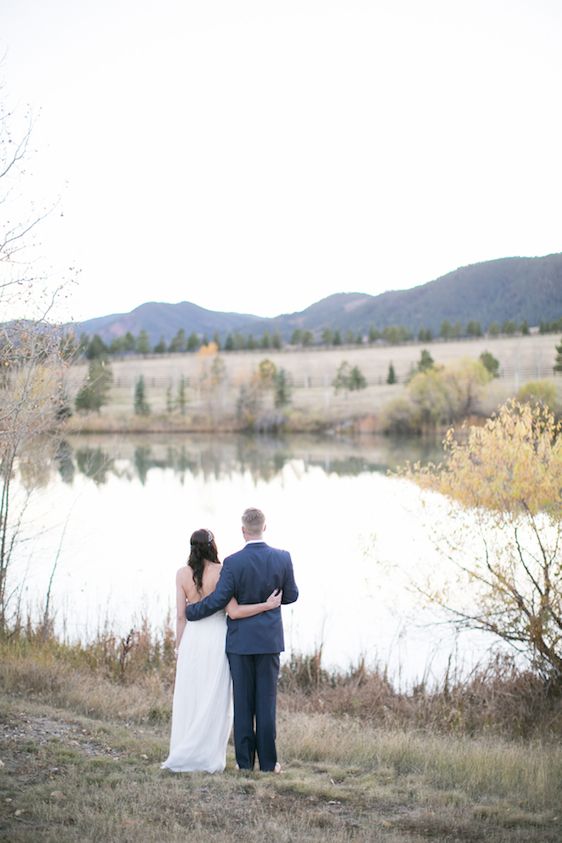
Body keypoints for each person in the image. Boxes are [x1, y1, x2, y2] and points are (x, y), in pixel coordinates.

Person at [186, 508, 299, 773]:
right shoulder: (283, 558)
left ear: (243, 530)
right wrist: (272, 601)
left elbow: (218, 600)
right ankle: (269, 765)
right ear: (264, 527)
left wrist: (191, 611)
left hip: (239, 643)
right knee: (266, 703)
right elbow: (292, 595)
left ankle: (244, 763)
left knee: (243, 703)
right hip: (269, 641)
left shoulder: (233, 562)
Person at [162, 528, 282, 773]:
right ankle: (209, 759)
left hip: (192, 641)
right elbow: (234, 612)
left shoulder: (181, 575)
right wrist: (267, 605)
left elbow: (181, 616)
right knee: (216, 698)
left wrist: (179, 648)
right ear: (213, 546)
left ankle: (184, 749)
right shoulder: (222, 571)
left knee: (191, 696)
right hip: (218, 639)